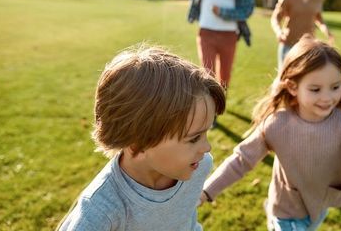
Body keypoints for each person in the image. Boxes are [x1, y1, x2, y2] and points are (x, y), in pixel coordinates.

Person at [200, 36, 341, 231]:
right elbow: (241, 160)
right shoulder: (277, 124)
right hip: (286, 211)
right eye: (315, 89)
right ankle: (273, 216)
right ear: (293, 87)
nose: (327, 98)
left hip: (318, 208)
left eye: (335, 87)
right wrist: (207, 191)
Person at [57, 45, 226, 230]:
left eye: (206, 133)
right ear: (139, 141)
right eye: (194, 138)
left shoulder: (199, 167)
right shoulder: (99, 211)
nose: (207, 148)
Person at [271, 0, 334, 69]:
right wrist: (278, 32)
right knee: (284, 81)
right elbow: (275, 17)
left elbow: (319, 18)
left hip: (308, 47)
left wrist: (326, 29)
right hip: (288, 44)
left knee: (304, 82)